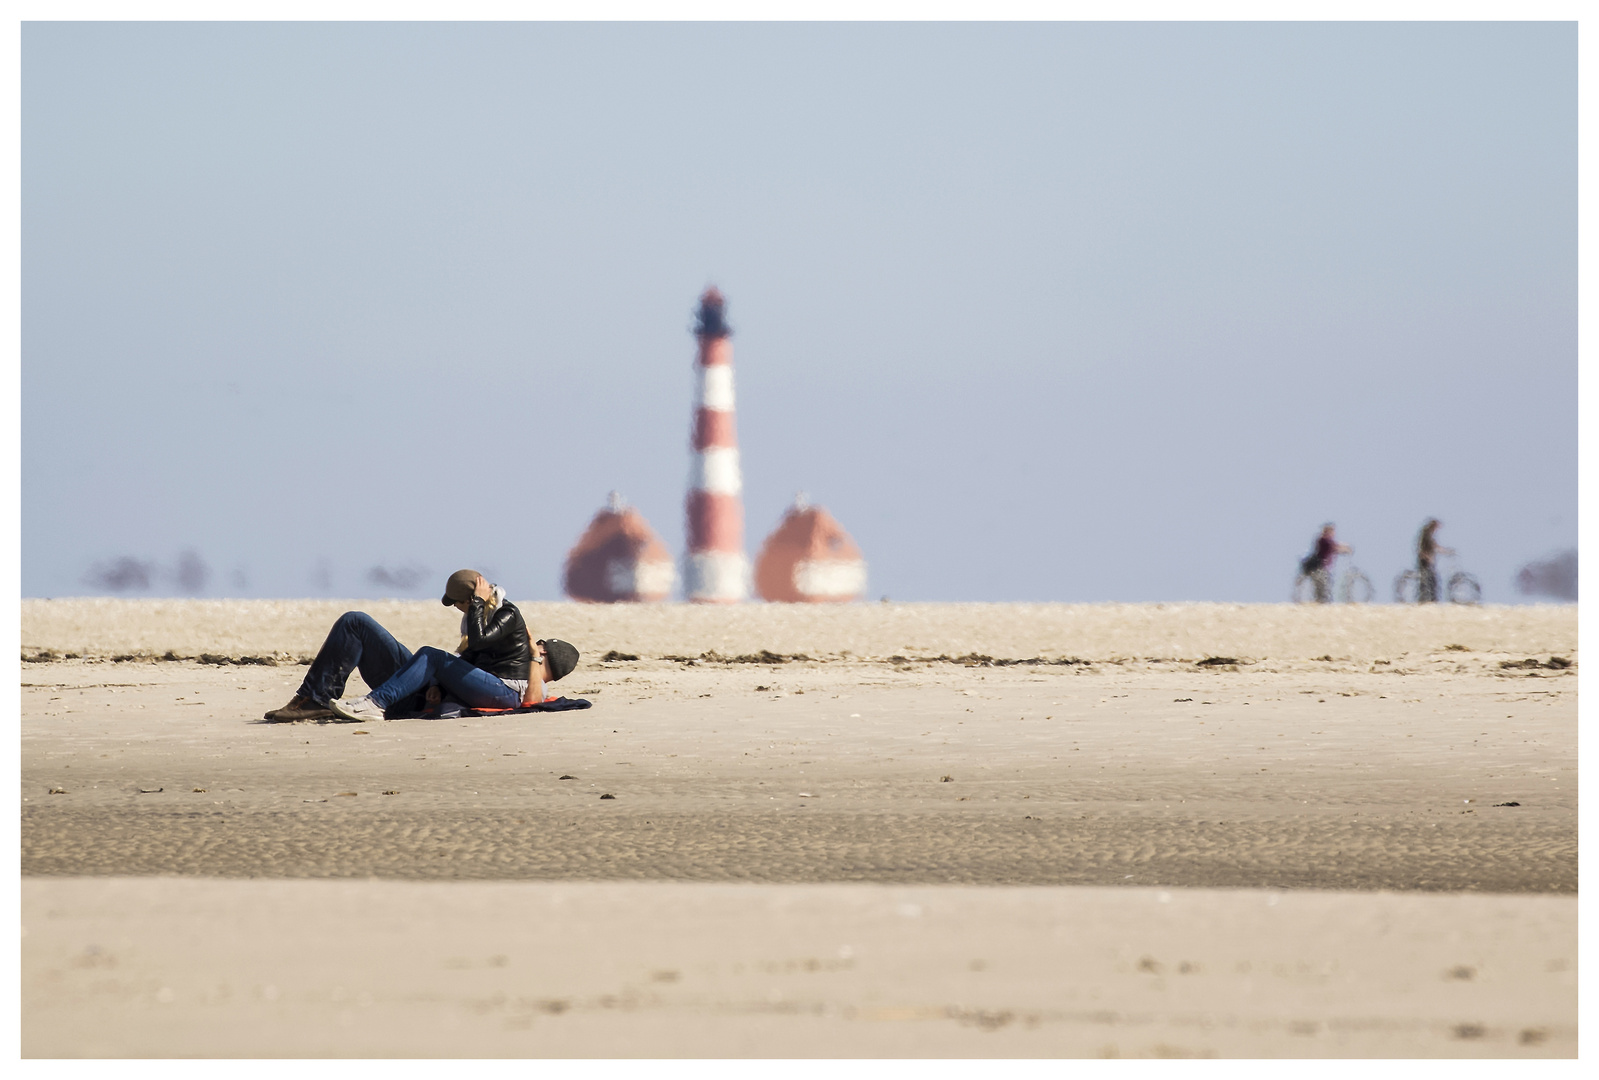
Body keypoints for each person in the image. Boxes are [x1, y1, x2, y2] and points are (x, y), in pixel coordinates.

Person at [262, 569, 579, 722]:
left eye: (539, 644)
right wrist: (441, 687)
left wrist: (534, 656)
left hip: (426, 697)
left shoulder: (530, 671)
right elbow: (467, 663)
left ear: (546, 652)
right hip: (423, 691)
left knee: (431, 655)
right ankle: (314, 698)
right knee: (354, 622)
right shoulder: (498, 638)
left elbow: (529, 701)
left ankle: (375, 704)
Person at [1297, 523, 1351, 603]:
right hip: (1319, 568)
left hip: (1321, 568)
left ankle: (1319, 602)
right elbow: (1334, 547)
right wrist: (1346, 549)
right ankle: (1319, 602)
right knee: (1322, 588)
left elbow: (1335, 547)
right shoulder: (1324, 540)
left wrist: (1344, 548)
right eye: (1331, 531)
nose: (1333, 533)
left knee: (1322, 588)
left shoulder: (1323, 540)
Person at [1415, 518, 1454, 603]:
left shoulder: (1428, 535)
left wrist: (1447, 551)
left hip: (1429, 561)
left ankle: (1430, 598)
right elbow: (1429, 547)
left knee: (1431, 580)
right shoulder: (1426, 535)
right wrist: (1446, 552)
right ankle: (1427, 599)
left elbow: (1435, 547)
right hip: (1425, 561)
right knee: (1428, 580)